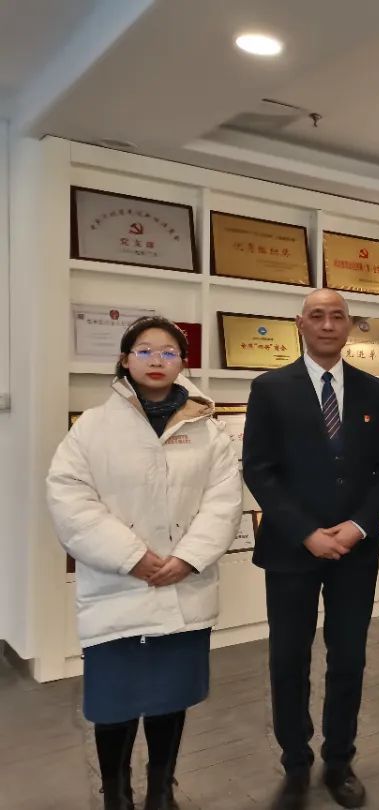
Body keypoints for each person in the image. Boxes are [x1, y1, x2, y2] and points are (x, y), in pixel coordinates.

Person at [46, 316, 242, 810]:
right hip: (116, 588)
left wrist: (188, 558)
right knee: (112, 703)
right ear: (124, 360)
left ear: (183, 363)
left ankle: (160, 790)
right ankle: (116, 794)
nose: (157, 360)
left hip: (182, 587)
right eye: (145, 351)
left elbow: (223, 502)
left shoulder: (208, 431)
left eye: (169, 352)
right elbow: (69, 497)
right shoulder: (92, 428)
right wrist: (131, 557)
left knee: (169, 699)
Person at [243, 289, 379, 810]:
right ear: (300, 324)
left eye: (338, 316)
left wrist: (358, 526)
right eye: (318, 316)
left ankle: (339, 761)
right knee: (289, 659)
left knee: (348, 657)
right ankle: (295, 764)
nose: (328, 324)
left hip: (356, 550)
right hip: (291, 550)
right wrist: (306, 532)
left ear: (350, 326)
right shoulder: (269, 388)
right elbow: (259, 469)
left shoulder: (374, 390)